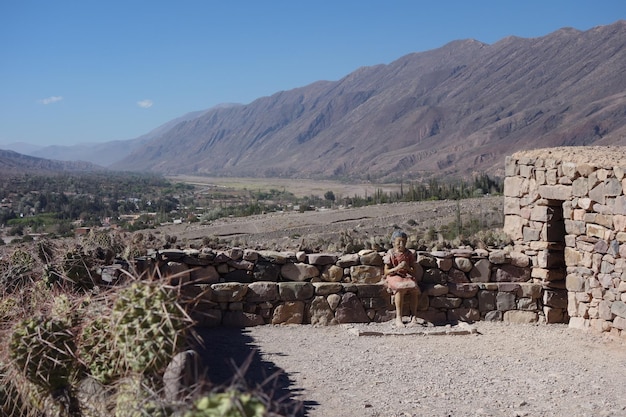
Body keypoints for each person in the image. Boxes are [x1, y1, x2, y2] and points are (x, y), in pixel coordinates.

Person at [383, 230, 421, 327]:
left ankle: (414, 317)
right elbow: (386, 271)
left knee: (414, 288)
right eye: (399, 241)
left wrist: (407, 268)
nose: (401, 244)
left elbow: (413, 270)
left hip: (406, 276)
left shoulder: (408, 254)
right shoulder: (391, 253)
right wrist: (398, 268)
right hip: (394, 276)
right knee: (399, 289)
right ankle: (399, 318)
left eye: (404, 242)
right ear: (393, 242)